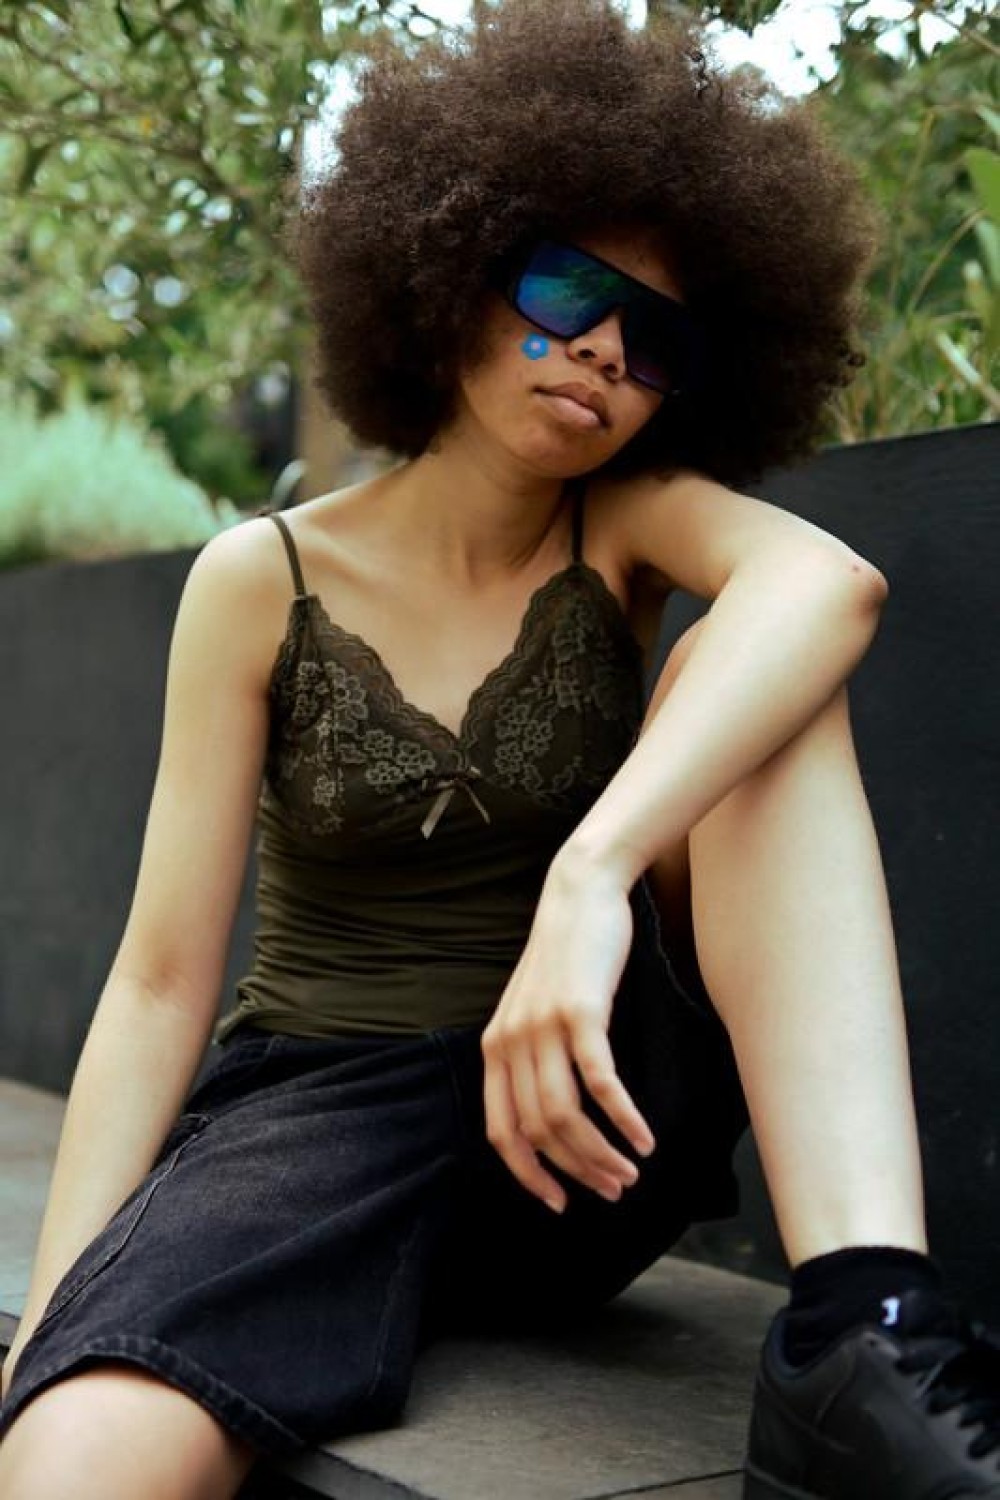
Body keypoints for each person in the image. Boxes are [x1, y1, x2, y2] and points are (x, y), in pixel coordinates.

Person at [1, 2, 997, 1496]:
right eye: (566, 289)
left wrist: (590, 879)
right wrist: (55, 1321)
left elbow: (826, 585)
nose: (603, 348)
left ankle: (863, 1328)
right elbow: (156, 982)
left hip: (583, 1128)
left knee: (768, 683)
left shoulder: (627, 523)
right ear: (450, 273)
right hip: (318, 1132)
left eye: (657, 340)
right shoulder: (258, 580)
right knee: (76, 1464)